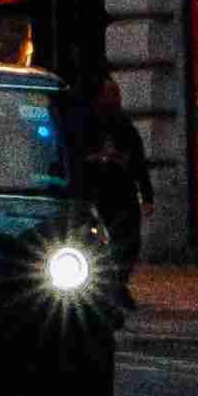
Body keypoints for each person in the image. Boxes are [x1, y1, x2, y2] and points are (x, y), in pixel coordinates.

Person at [79, 87, 154, 279]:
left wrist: (147, 196)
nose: (114, 100)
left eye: (115, 95)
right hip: (98, 194)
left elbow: (138, 162)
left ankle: (119, 279)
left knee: (128, 240)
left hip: (123, 193)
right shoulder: (88, 125)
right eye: (109, 95)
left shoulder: (124, 126)